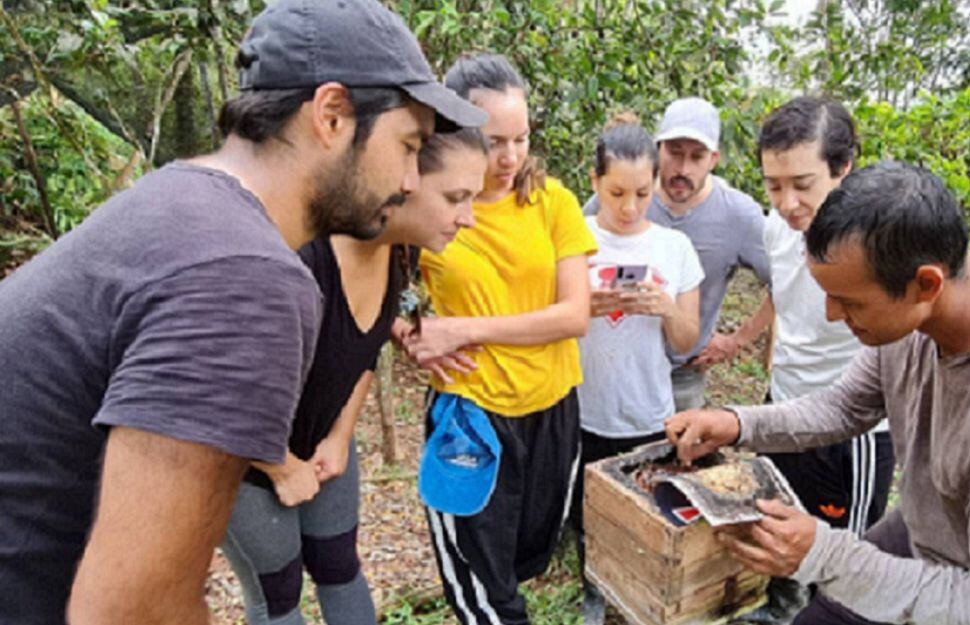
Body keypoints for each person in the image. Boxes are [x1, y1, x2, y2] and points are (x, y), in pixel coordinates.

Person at [0, 1, 485, 623]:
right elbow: (137, 610)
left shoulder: (181, 199)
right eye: (409, 145)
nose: (413, 180)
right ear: (332, 115)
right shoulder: (245, 274)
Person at [666, 162, 970, 624]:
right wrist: (739, 423)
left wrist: (825, 553)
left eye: (850, 302)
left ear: (927, 284)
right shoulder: (938, 302)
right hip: (930, 534)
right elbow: (847, 405)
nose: (831, 314)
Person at [220, 129, 488, 625]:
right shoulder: (299, 259)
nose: (468, 217)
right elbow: (218, 391)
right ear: (403, 179)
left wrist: (341, 437)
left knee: (338, 566)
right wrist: (281, 466)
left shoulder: (401, 253)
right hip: (243, 459)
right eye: (455, 198)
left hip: (321, 442)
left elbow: (362, 352)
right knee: (276, 594)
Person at [404, 53, 597, 625]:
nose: (510, 157)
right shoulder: (423, 205)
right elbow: (366, 283)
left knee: (526, 558)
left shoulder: (551, 202)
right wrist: (408, 332)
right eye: (493, 142)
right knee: (485, 588)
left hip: (552, 412)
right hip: (473, 417)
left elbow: (573, 315)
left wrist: (465, 328)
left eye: (521, 138)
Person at [722, 97, 894, 541]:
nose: (787, 202)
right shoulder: (777, 226)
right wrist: (745, 339)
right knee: (773, 517)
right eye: (773, 186)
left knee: (844, 547)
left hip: (851, 429)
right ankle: (780, 607)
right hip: (782, 402)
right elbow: (782, 292)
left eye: (802, 183)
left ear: (844, 168)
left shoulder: (880, 241)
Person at [573, 113, 704, 624]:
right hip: (582, 409)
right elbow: (545, 320)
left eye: (642, 194)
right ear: (595, 183)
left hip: (648, 408)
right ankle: (596, 590)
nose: (629, 208)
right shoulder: (572, 239)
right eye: (616, 193)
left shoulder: (674, 248)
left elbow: (687, 338)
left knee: (648, 510)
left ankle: (643, 595)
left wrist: (666, 307)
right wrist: (583, 306)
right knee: (587, 513)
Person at [584, 97, 770, 411]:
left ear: (714, 159)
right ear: (657, 149)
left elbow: (785, 280)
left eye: (696, 157)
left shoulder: (739, 215)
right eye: (674, 153)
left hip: (684, 372)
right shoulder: (617, 197)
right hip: (610, 374)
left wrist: (737, 340)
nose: (683, 169)